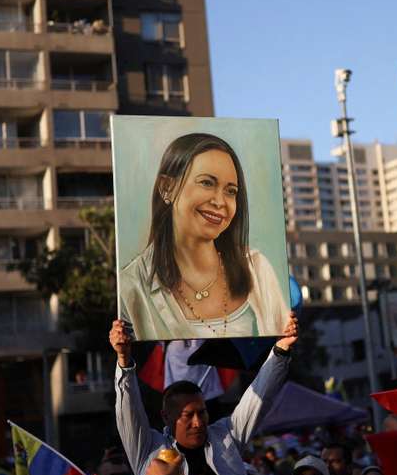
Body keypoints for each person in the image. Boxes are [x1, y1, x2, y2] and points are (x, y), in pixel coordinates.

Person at [118, 133, 289, 339]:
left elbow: (285, 348)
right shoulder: (130, 288)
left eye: (231, 191)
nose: (220, 202)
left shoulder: (257, 269)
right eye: (207, 183)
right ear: (167, 188)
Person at [111, 314, 299, 475]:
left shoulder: (226, 437)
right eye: (188, 415)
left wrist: (281, 350)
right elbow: (129, 410)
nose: (198, 422)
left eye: (202, 412)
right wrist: (124, 359)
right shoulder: (149, 449)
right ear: (166, 417)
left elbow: (259, 397)